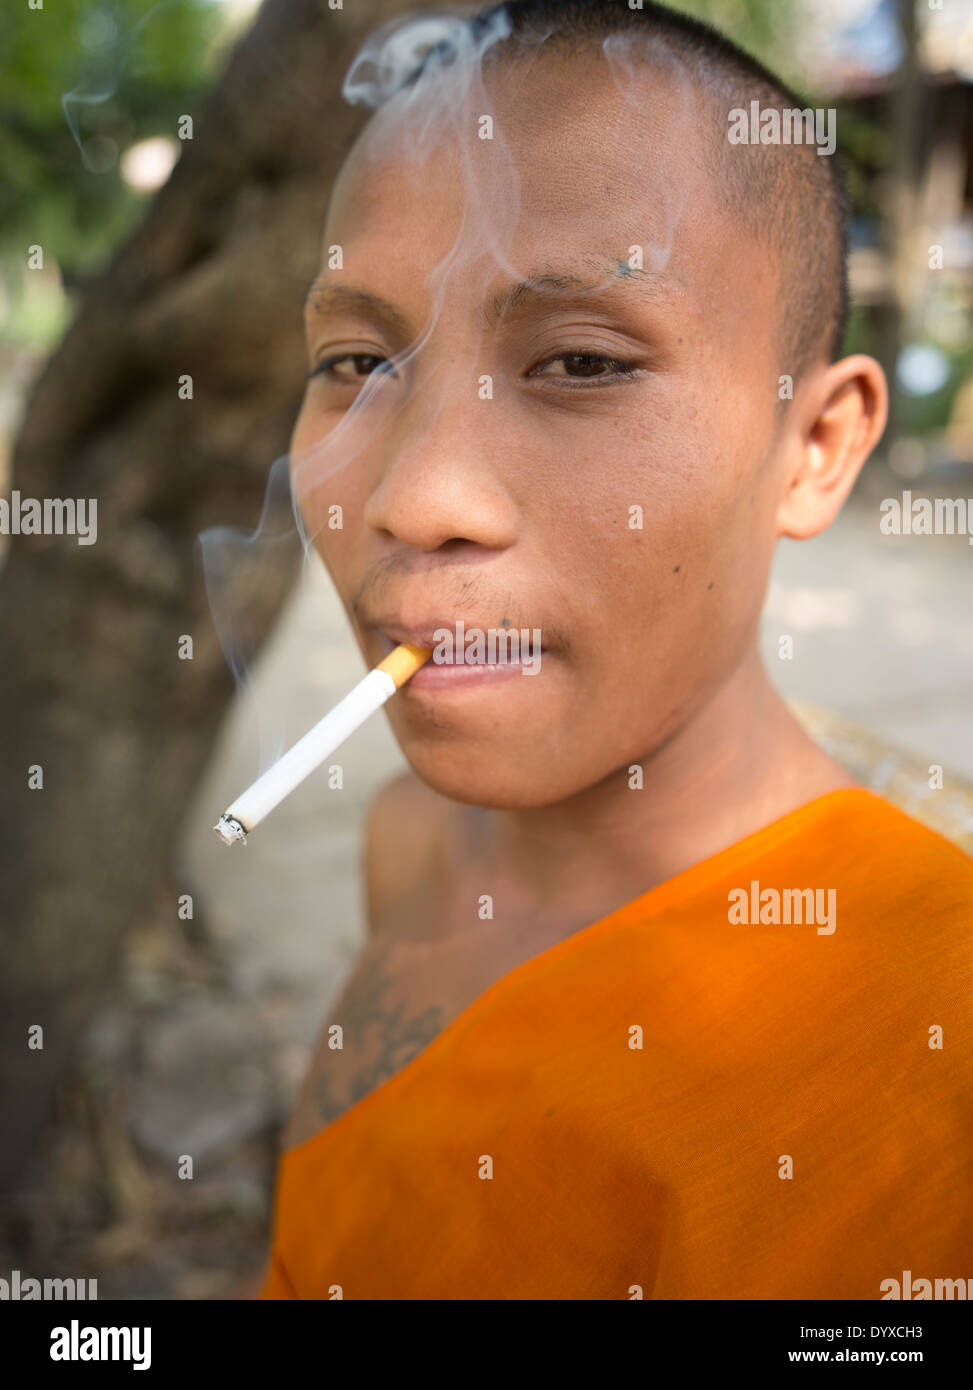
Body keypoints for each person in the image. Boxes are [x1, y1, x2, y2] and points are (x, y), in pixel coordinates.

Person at [257, 0, 973, 1299]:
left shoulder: (932, 1042)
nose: (416, 500)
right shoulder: (409, 841)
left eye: (581, 362)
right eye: (357, 359)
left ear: (812, 450)